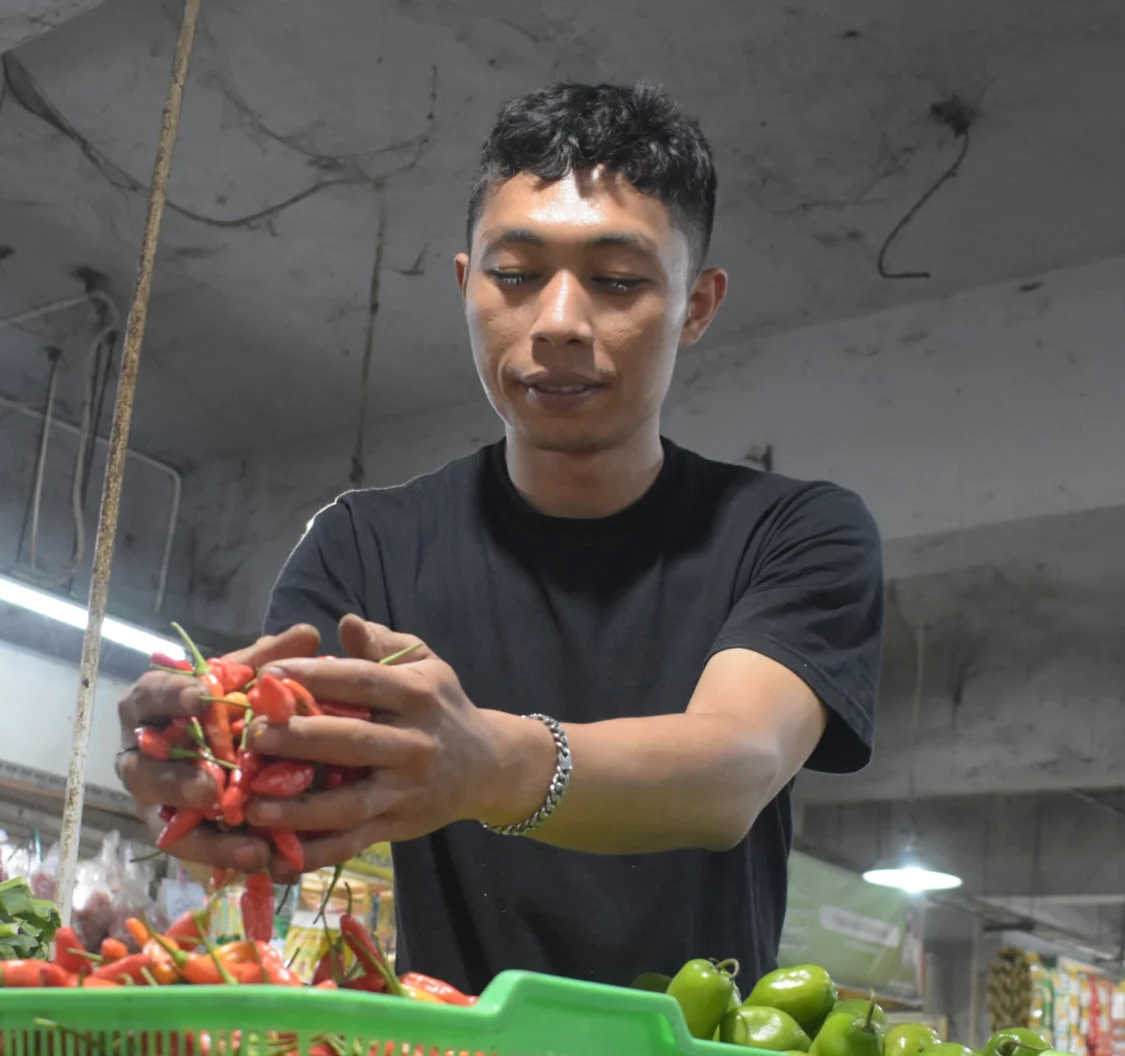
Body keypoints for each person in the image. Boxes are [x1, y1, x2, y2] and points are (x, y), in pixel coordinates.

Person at [117, 82, 884, 992]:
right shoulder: (364, 546)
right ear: (464, 285)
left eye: (618, 282)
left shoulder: (793, 533)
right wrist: (209, 757)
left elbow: (734, 769)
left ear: (697, 306)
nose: (558, 322)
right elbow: (298, 769)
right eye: (515, 274)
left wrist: (490, 764)